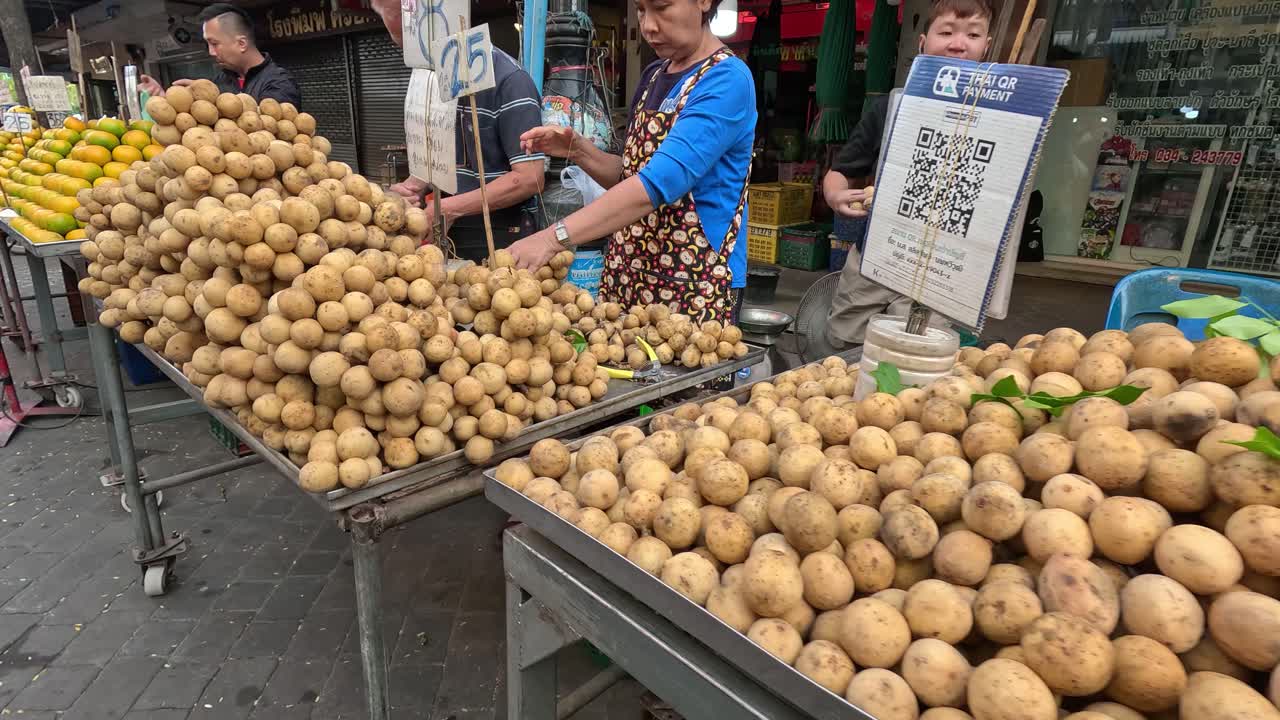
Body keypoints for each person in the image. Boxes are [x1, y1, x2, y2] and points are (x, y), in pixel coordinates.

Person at [507, 0, 755, 325]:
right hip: (628, 277)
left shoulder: (727, 80)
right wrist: (578, 149)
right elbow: (631, 175)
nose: (648, 25)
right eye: (640, 10)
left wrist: (554, 238)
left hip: (695, 285)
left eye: (662, 7)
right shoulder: (654, 75)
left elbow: (656, 184)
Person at [823, 0, 993, 351]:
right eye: (946, 32)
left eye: (973, 34)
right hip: (874, 256)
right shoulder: (892, 106)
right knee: (841, 340)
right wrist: (836, 195)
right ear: (922, 42)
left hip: (940, 267)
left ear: (986, 46)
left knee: (913, 351)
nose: (958, 43)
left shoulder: (995, 119)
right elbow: (840, 171)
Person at [371, 0, 546, 262]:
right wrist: (415, 184)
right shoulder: (430, 80)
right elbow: (445, 157)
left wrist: (450, 209)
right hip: (449, 236)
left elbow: (530, 178)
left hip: (501, 234)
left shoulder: (511, 81)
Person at [138, 4, 300, 107]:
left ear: (241, 44)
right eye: (208, 44)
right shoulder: (220, 80)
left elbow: (268, 130)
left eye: (214, 43)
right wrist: (166, 98)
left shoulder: (279, 83)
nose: (210, 52)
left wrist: (212, 100)